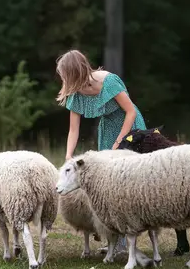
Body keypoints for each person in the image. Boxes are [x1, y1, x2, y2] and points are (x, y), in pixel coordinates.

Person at [56, 49, 147, 255]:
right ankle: (115, 239)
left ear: (75, 72)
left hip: (129, 128)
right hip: (107, 131)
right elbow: (73, 129)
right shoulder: (75, 93)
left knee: (126, 184)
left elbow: (130, 111)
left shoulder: (109, 82)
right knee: (109, 187)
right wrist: (69, 155)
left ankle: (128, 239)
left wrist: (119, 142)